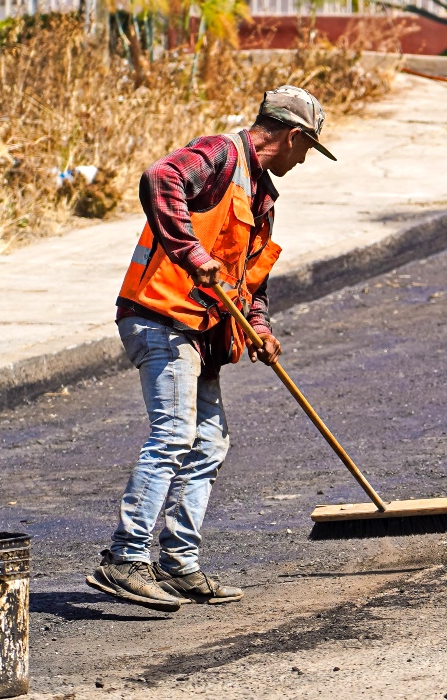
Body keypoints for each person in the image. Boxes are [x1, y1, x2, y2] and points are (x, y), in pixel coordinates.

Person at [87, 85, 334, 611]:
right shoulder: (220, 155)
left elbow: (251, 283)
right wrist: (191, 253)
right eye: (307, 148)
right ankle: (125, 559)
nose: (305, 158)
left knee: (209, 443)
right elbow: (161, 178)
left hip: (201, 331)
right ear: (292, 136)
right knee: (174, 433)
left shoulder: (262, 198)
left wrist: (259, 331)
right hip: (160, 317)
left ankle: (178, 565)